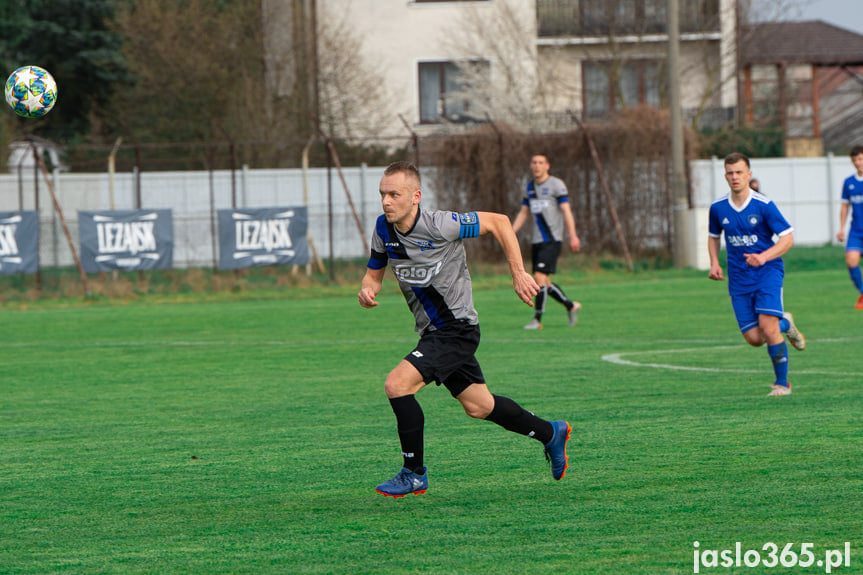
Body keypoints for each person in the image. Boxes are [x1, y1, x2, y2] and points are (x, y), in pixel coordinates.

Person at [358, 161, 572, 497]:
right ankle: (550, 433)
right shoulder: (383, 230)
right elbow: (374, 272)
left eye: (394, 194)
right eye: (383, 194)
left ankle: (413, 473)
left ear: (415, 197)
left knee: (397, 384)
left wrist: (517, 273)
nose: (386, 201)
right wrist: (368, 289)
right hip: (433, 333)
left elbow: (500, 223)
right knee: (479, 406)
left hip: (456, 329)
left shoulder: (442, 224)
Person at [708, 152, 806, 397]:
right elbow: (713, 236)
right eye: (730, 173)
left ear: (748, 174)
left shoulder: (763, 205)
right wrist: (713, 263)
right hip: (739, 279)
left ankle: (782, 384)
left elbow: (788, 238)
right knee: (754, 338)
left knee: (767, 327)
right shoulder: (718, 208)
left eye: (739, 172)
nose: (734, 177)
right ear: (725, 176)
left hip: (767, 273)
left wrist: (763, 257)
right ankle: (786, 322)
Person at [512, 153, 582, 330]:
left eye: (540, 163)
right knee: (545, 283)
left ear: (547, 166)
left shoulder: (556, 185)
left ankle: (537, 320)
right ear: (530, 165)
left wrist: (573, 235)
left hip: (552, 240)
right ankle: (570, 306)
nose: (537, 166)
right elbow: (523, 212)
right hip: (537, 242)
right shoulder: (529, 187)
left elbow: (566, 211)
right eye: (534, 162)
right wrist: (510, 232)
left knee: (538, 277)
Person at [835, 145, 863, 310]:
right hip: (856, 231)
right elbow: (845, 207)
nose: (858, 163)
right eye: (855, 160)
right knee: (851, 260)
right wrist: (841, 228)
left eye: (860, 159)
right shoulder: (849, 182)